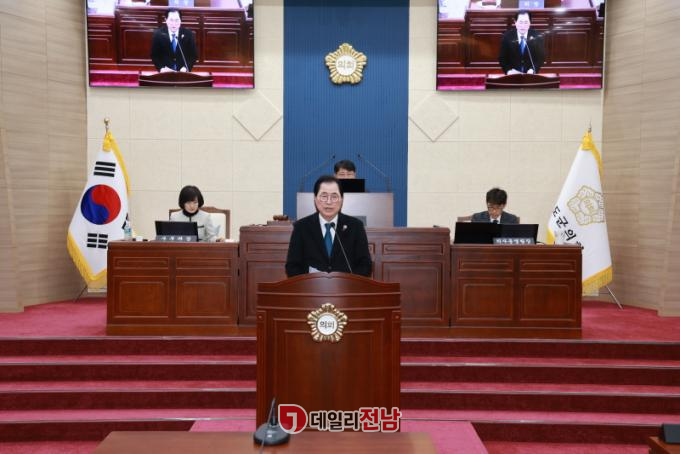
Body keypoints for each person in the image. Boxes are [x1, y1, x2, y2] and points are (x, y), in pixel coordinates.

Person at [285, 175, 372, 277]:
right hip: (311, 286)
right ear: (315, 199)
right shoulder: (301, 227)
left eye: (334, 197)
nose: (329, 202)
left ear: (341, 200)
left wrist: (348, 282)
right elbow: (292, 266)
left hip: (346, 286)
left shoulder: (355, 226)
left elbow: (365, 265)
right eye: (324, 196)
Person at [498, 10, 545, 75]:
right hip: (512, 75)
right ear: (515, 22)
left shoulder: (537, 37)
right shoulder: (507, 37)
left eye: (526, 22)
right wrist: (509, 71)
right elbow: (502, 59)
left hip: (530, 75)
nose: (523, 26)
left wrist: (532, 70)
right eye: (520, 22)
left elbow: (541, 58)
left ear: (530, 23)